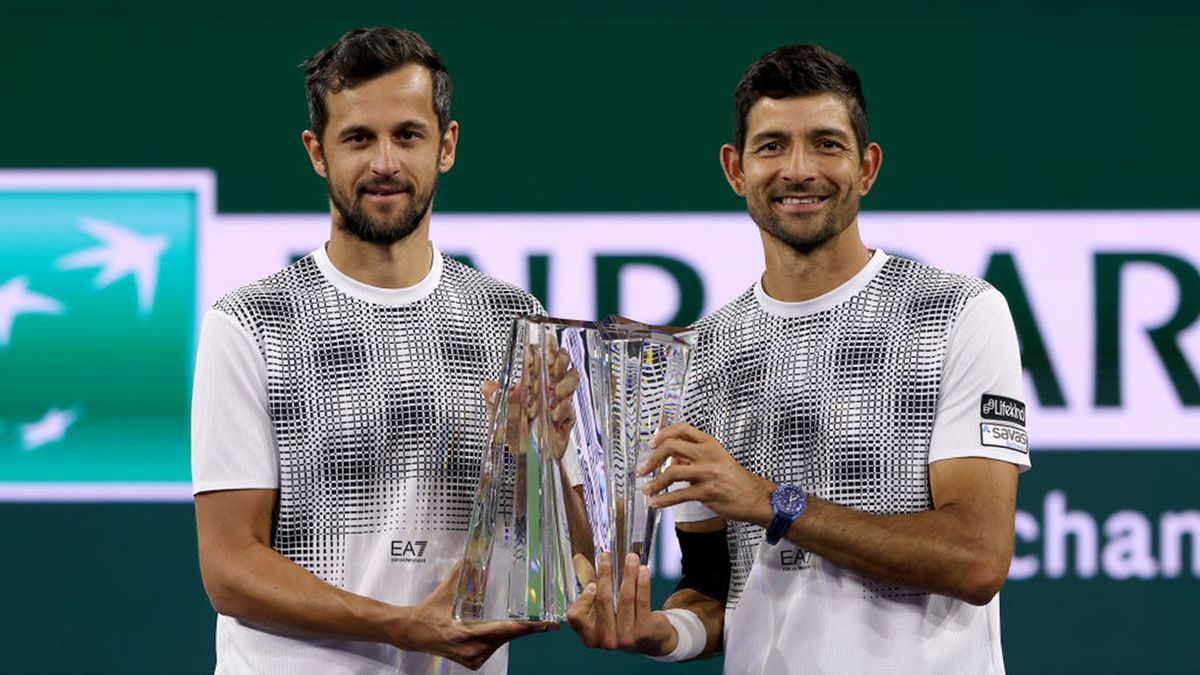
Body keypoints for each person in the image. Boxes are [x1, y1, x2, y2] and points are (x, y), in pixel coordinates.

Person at [567, 44, 1029, 674]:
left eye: (827, 144)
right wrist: (660, 631)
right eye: (772, 146)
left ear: (867, 167)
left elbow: (976, 559)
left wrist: (772, 502)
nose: (799, 170)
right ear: (736, 169)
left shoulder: (959, 313)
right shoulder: (702, 353)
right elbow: (712, 592)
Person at [190, 27, 562, 675]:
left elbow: (555, 560)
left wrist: (545, 465)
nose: (385, 162)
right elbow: (229, 568)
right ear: (317, 152)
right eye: (359, 138)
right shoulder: (249, 322)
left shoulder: (514, 319)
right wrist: (405, 626)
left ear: (446, 145)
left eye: (408, 135)